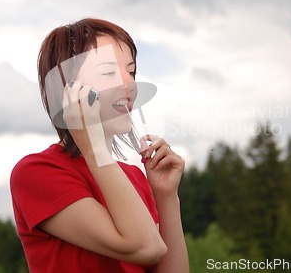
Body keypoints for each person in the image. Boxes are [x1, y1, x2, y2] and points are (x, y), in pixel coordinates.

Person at [10, 18, 189, 272]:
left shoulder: (135, 177)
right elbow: (146, 248)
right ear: (68, 90)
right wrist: (93, 146)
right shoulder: (37, 172)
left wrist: (166, 197)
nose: (129, 83)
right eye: (109, 72)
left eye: (131, 71)